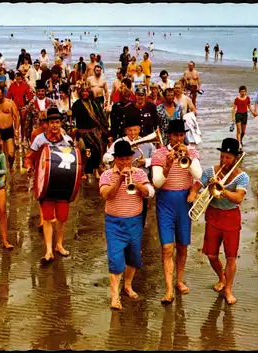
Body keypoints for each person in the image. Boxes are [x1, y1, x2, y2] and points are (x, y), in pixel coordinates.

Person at [151, 119, 203, 304]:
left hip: (183, 202)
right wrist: (167, 164)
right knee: (166, 248)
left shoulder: (192, 152)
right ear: (169, 136)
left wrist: (187, 156)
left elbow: (200, 177)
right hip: (165, 201)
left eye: (181, 135)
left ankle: (179, 281)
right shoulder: (159, 154)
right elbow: (156, 183)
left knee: (182, 246)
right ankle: (168, 289)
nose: (179, 138)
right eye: (175, 135)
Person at [99, 140, 155, 310]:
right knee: (115, 258)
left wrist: (137, 184)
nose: (124, 163)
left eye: (127, 159)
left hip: (135, 221)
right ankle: (115, 296)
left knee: (133, 257)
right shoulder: (107, 175)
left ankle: (128, 285)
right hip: (114, 223)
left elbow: (150, 193)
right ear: (115, 159)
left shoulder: (139, 173)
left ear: (132, 158)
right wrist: (119, 181)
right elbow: (105, 195)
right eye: (121, 159)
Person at [200, 138, 249, 305]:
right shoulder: (210, 172)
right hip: (213, 214)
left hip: (231, 217)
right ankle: (221, 277)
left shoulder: (242, 177)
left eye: (228, 157)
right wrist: (193, 194)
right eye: (222, 156)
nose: (223, 161)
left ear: (235, 158)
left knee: (231, 257)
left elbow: (238, 198)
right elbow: (197, 184)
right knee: (212, 255)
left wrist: (222, 189)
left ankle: (228, 288)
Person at [28, 109, 77, 262]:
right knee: (48, 217)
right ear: (47, 124)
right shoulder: (39, 139)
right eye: (51, 122)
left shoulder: (67, 139)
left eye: (57, 122)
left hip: (63, 182)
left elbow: (74, 158)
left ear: (60, 123)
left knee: (62, 217)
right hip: (45, 183)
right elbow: (29, 157)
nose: (54, 126)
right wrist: (29, 166)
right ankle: (48, 250)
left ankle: (59, 245)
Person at [72, 82, 109, 179]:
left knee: (97, 150)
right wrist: (69, 115)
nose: (85, 93)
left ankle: (96, 170)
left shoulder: (94, 103)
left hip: (93, 132)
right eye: (83, 91)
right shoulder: (76, 104)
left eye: (87, 91)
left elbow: (100, 116)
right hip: (82, 133)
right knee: (85, 152)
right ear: (80, 93)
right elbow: (72, 118)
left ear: (89, 92)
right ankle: (85, 171)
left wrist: (102, 128)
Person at [0, 86, 20, 170]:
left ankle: (10, 167)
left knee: (11, 153)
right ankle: (4, 169)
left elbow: (16, 116)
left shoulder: (10, 103)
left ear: (3, 94)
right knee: (1, 153)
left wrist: (16, 130)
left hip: (8, 129)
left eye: (0, 95)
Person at [6, 72, 34, 145]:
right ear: (15, 78)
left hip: (23, 107)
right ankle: (16, 139)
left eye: (19, 78)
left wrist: (28, 105)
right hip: (14, 107)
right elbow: (8, 97)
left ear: (21, 78)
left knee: (23, 122)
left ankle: (23, 139)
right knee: (15, 123)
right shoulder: (12, 86)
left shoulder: (25, 85)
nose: (18, 79)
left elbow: (30, 97)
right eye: (17, 78)